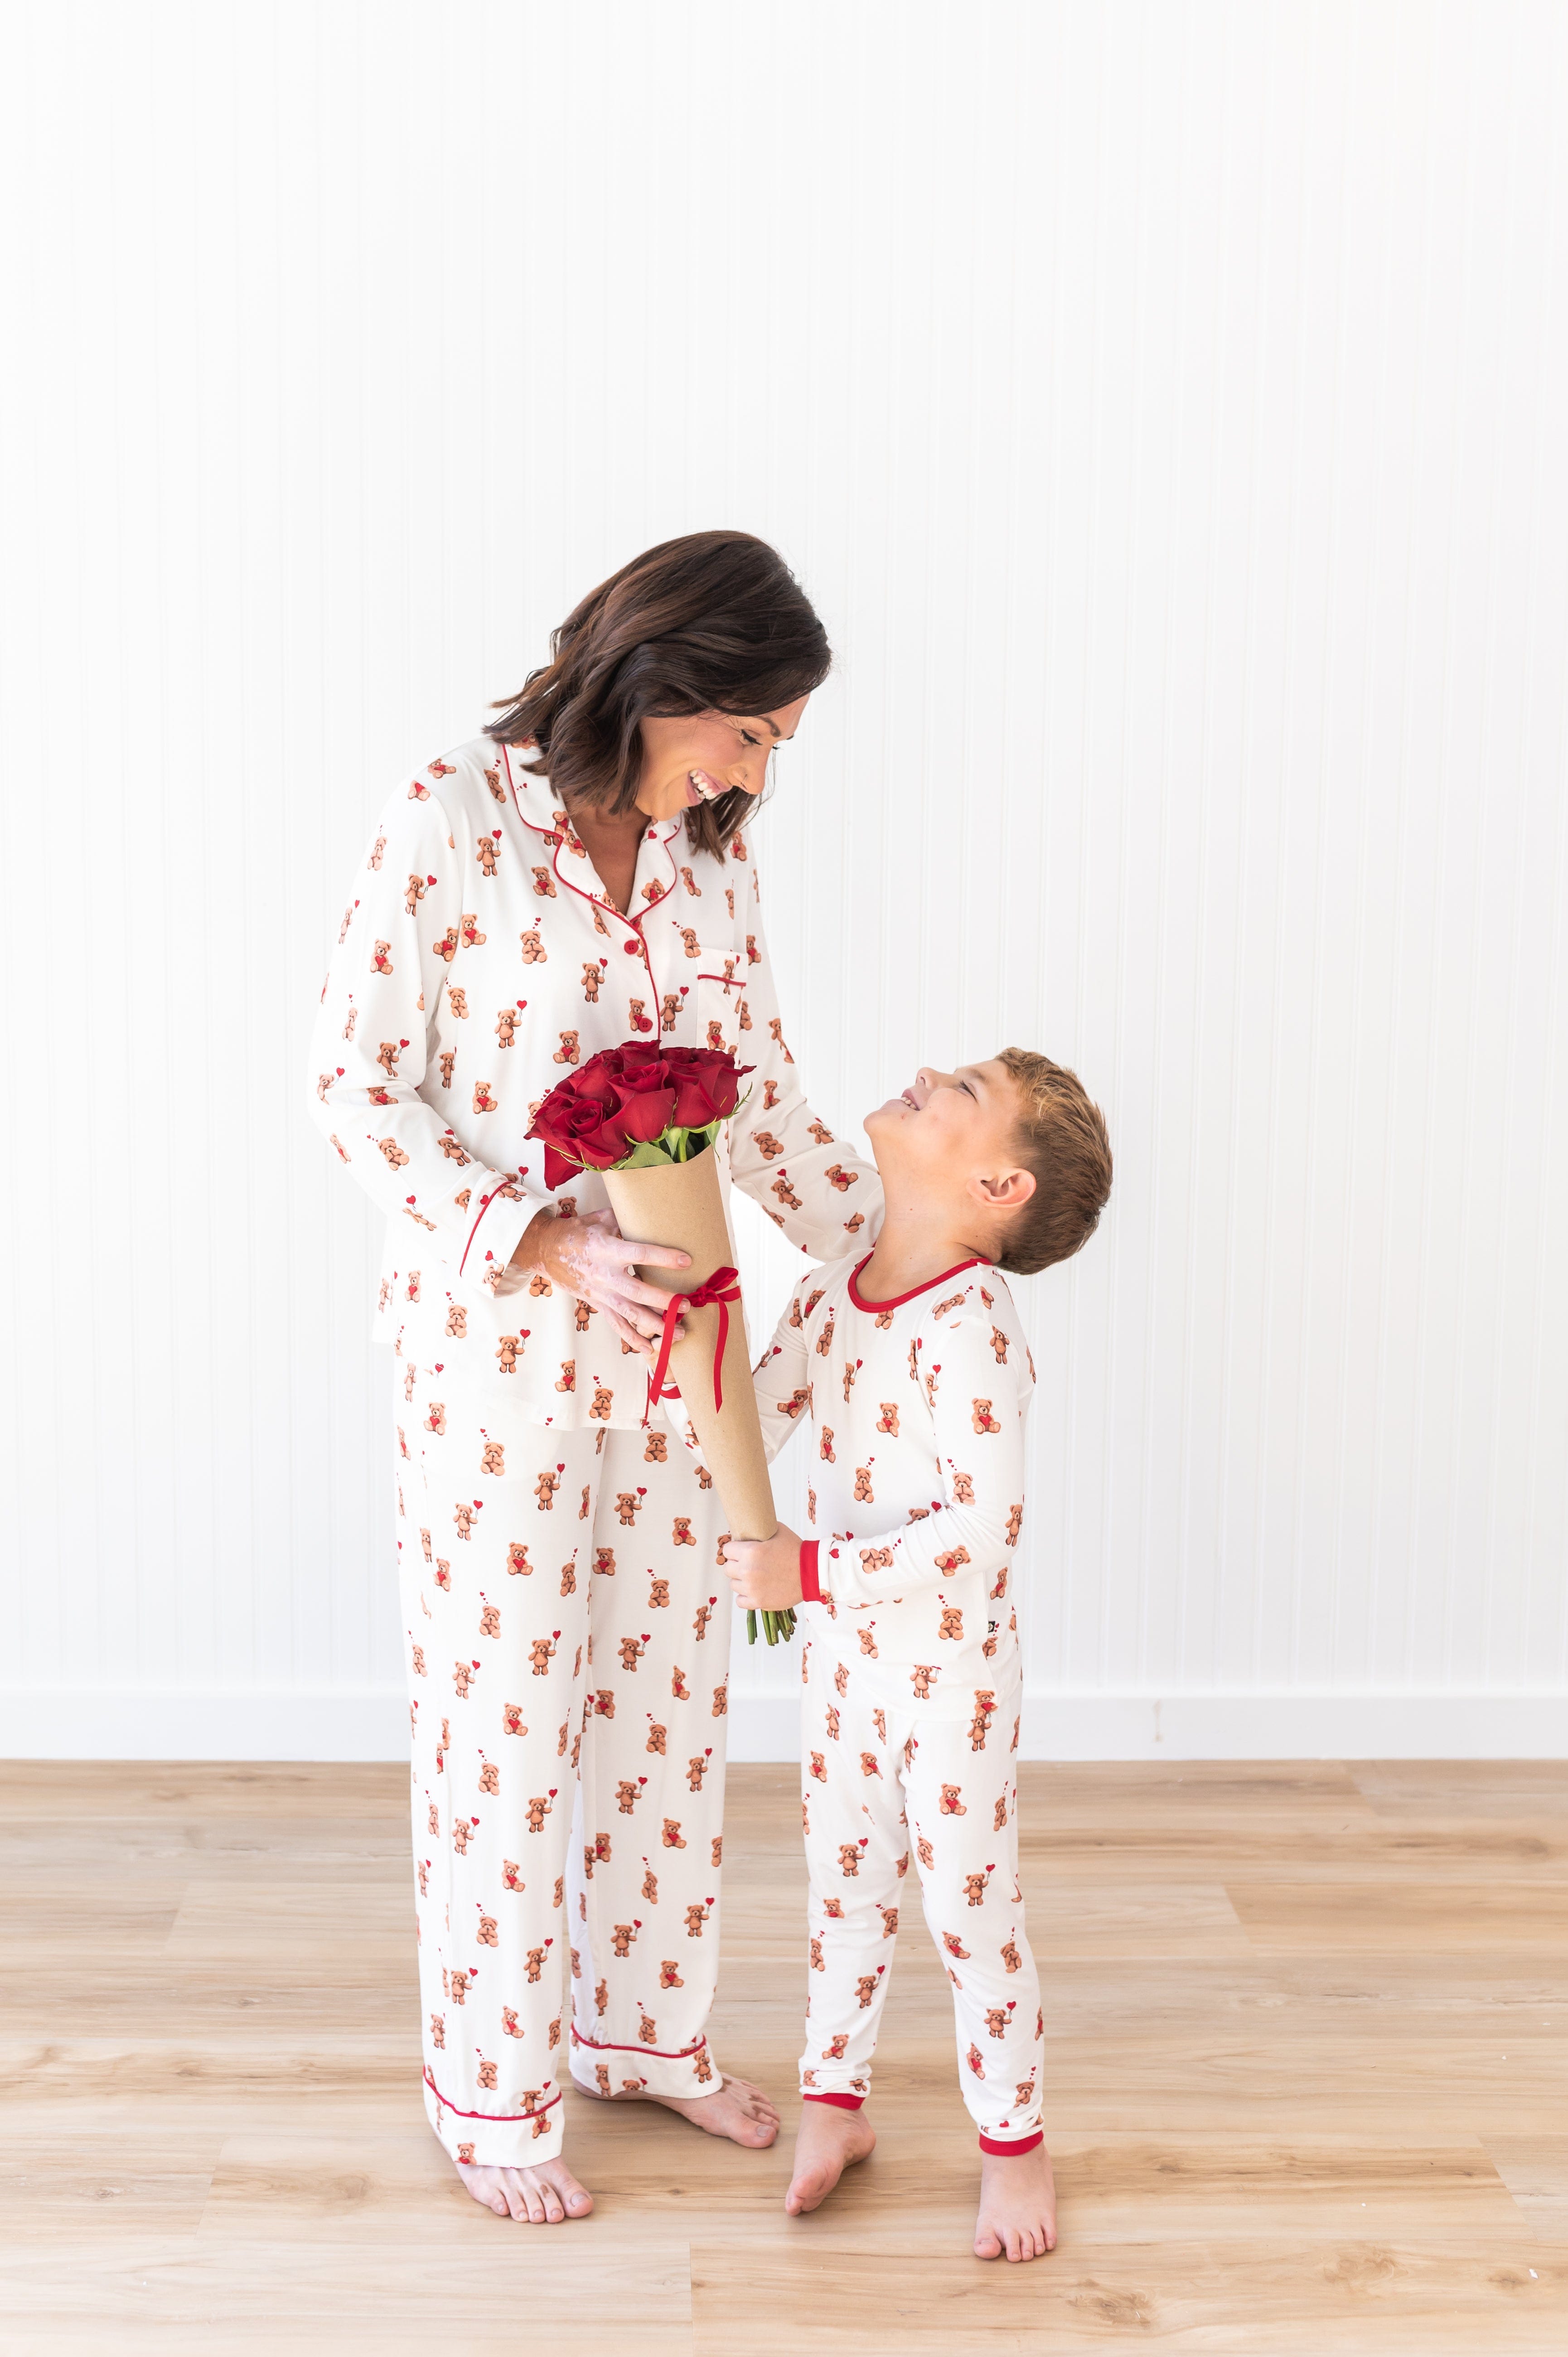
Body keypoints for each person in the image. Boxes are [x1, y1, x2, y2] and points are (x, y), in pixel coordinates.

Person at [305, 531, 881, 2226]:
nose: (759, 769)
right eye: (750, 730)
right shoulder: (452, 813)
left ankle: (641, 2032)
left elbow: (756, 1093)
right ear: (662, 677)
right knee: (501, 1724)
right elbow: (351, 1082)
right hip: (491, 1359)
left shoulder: (711, 864)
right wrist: (529, 1237)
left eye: (774, 742)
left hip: (673, 1362)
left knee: (661, 1713)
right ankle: (491, 2086)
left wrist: (893, 1257)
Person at [722, 1049, 1112, 2263]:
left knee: (964, 1903)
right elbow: (760, 1409)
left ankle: (1015, 2142)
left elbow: (981, 1527)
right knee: (843, 1888)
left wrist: (809, 1571)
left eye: (962, 1089)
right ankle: (833, 2105)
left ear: (996, 1184)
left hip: (947, 1685)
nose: (927, 1070)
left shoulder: (971, 1326)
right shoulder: (835, 1289)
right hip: (843, 1671)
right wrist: (692, 1333)